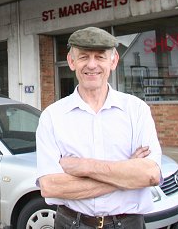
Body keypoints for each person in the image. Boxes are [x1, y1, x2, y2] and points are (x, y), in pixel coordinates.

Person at [36, 27, 162, 229]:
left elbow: (150, 175)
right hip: (71, 223)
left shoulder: (136, 110)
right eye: (84, 56)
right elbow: (51, 186)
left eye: (100, 57)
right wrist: (126, 175)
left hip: (128, 223)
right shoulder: (52, 117)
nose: (92, 65)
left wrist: (82, 167)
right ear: (71, 61)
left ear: (113, 61)